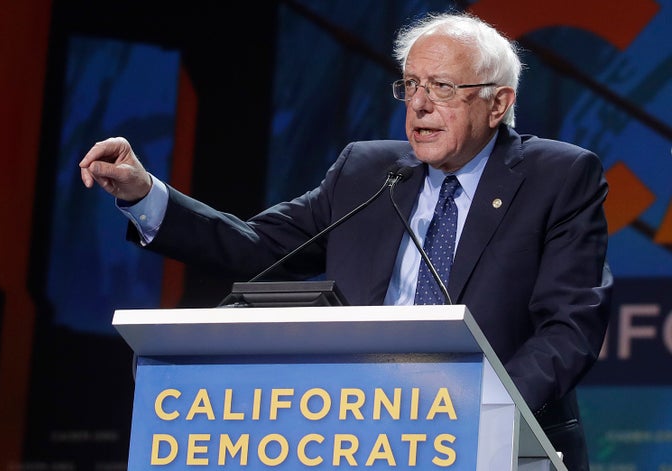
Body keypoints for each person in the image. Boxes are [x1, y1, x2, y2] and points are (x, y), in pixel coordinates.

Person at [80, 11, 611, 470]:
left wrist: (482, 408)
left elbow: (570, 326)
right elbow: (256, 246)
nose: (420, 105)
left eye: (443, 88)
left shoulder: (557, 177)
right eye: (411, 85)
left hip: (494, 440)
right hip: (359, 434)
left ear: (498, 105)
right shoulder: (367, 171)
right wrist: (144, 192)